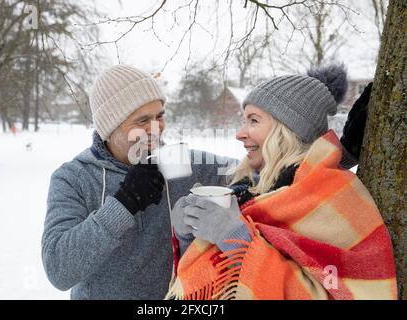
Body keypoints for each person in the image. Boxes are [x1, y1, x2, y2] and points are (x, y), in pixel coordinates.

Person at [168, 64, 397, 300]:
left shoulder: (331, 199)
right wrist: (189, 235)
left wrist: (237, 239)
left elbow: (331, 294)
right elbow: (212, 279)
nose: (239, 133)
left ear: (286, 130)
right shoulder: (252, 190)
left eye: (253, 121)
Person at [41, 65, 230, 299]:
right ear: (111, 128)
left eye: (159, 116)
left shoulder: (177, 163)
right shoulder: (74, 178)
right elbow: (59, 269)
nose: (156, 128)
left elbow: (248, 171)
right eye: (142, 120)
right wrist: (125, 202)